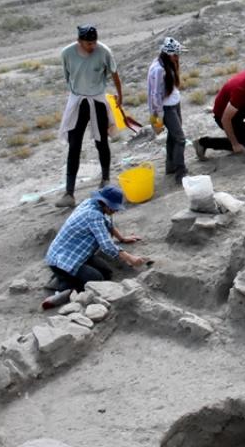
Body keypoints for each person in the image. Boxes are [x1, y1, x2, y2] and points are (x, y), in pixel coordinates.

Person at [56, 25, 122, 209]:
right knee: (74, 145)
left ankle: (105, 179)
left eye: (94, 42)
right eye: (88, 43)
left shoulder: (104, 51)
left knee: (102, 141)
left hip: (98, 101)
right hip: (78, 102)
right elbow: (67, 76)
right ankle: (69, 193)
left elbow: (114, 73)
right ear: (79, 41)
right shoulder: (67, 53)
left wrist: (120, 94)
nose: (92, 46)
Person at [45, 186, 145, 293]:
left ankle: (64, 276)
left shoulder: (91, 203)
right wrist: (130, 258)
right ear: (105, 203)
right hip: (64, 259)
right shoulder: (94, 215)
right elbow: (106, 246)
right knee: (97, 280)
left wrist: (122, 238)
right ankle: (62, 286)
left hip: (77, 254)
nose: (115, 210)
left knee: (107, 273)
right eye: (113, 207)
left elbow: (107, 223)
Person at [195, 67, 245, 159]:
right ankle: (203, 142)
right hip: (222, 114)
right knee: (241, 145)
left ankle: (241, 135)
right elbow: (225, 119)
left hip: (242, 107)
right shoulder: (240, 91)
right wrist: (235, 144)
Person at [147, 37, 187, 184]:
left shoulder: (167, 63)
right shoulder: (158, 69)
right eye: (175, 54)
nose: (177, 57)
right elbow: (155, 94)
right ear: (168, 54)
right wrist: (159, 115)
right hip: (166, 108)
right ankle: (180, 172)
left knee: (173, 136)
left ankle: (170, 166)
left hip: (174, 104)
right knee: (180, 139)